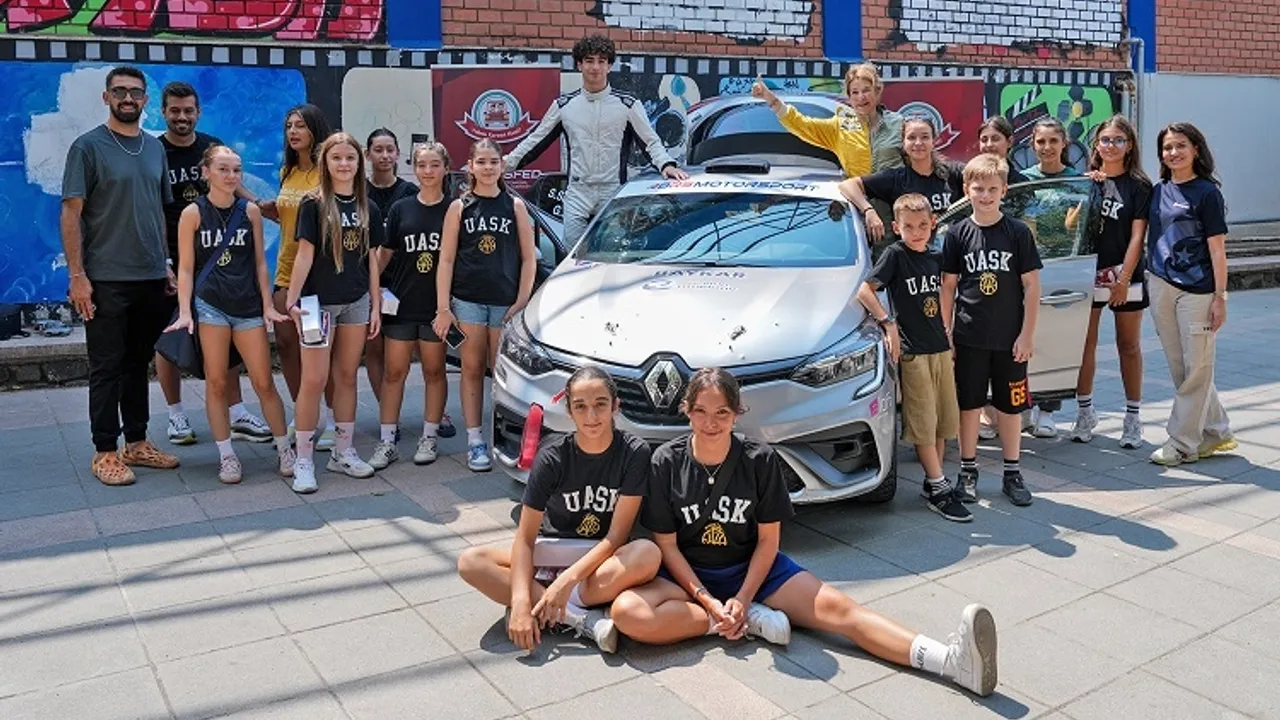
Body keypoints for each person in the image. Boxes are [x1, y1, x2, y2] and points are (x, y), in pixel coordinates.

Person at [609, 369, 998, 697]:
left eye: (722, 413)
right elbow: (666, 545)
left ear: (737, 413)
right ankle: (734, 623)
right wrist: (710, 603)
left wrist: (743, 596)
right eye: (700, 412)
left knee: (844, 613)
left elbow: (768, 541)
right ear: (686, 410)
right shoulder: (666, 461)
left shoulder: (759, 459)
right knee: (628, 613)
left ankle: (949, 661)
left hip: (753, 570)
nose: (711, 423)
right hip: (688, 577)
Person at [457, 366, 662, 654]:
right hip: (549, 552)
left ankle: (547, 605)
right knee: (471, 562)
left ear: (615, 406)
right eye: (580, 406)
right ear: (569, 411)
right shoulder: (552, 455)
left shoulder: (634, 452)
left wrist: (565, 582)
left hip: (598, 562)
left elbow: (616, 537)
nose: (591, 416)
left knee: (648, 554)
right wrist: (520, 602)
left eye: (600, 404)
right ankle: (581, 619)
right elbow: (525, 538)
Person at [61, 66, 180, 486]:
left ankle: (137, 443)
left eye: (135, 92)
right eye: (119, 91)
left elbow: (157, 211)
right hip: (105, 278)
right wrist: (78, 275)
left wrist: (166, 264)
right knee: (107, 366)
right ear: (106, 97)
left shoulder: (154, 148)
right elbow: (71, 213)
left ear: (145, 100)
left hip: (150, 275)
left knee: (136, 363)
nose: (127, 98)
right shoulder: (87, 147)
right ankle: (105, 451)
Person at [164, 145, 295, 484]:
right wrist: (185, 311)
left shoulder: (249, 211)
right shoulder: (193, 213)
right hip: (211, 305)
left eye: (236, 169)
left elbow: (260, 264)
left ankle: (285, 448)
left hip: (247, 305)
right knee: (217, 381)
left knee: (264, 381)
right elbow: (186, 268)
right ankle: (227, 456)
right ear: (206, 172)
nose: (231, 175)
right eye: (223, 169)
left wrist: (268, 306)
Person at [156, 81, 271, 447]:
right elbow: (149, 207)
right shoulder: (154, 152)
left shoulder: (211, 146)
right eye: (175, 110)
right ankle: (176, 414)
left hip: (213, 257)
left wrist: (258, 206)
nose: (182, 117)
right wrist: (161, 261)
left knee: (226, 334)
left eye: (188, 110)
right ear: (163, 112)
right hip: (171, 257)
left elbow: (234, 188)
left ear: (198, 112)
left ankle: (236, 413)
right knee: (170, 337)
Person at [504, 34, 688, 243]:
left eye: (602, 61)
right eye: (589, 61)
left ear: (609, 66)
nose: (595, 67)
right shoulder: (564, 106)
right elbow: (535, 141)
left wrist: (666, 164)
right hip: (577, 193)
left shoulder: (627, 104)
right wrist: (505, 164)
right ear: (579, 65)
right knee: (571, 254)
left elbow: (650, 141)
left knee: (611, 253)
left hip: (613, 190)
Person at [855, 194, 967, 522]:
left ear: (933, 224)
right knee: (923, 422)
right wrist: (887, 323)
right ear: (896, 227)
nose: (916, 232)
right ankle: (939, 486)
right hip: (914, 351)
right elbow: (865, 291)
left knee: (943, 422)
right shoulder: (895, 255)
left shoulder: (936, 257)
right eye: (908, 227)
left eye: (922, 225)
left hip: (940, 348)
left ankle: (935, 483)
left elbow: (947, 296)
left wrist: (949, 334)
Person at [940, 154, 1042, 507]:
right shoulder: (957, 233)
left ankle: (1012, 473)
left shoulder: (1018, 232)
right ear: (966, 190)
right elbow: (948, 287)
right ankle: (967, 471)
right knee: (969, 406)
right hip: (969, 338)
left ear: (1004, 190)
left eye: (992, 189)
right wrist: (947, 333)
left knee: (1010, 408)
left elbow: (1032, 286)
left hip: (1010, 339)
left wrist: (1027, 335)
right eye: (978, 188)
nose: (985, 195)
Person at [285, 133, 384, 493]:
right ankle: (303, 459)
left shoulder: (369, 207)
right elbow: (305, 255)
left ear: (359, 163)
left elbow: (372, 260)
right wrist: (292, 300)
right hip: (317, 304)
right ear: (325, 163)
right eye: (336, 158)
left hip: (356, 302)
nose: (344, 164)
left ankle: (343, 451)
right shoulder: (313, 204)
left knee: (347, 376)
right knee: (313, 380)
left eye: (350, 158)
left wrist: (374, 303)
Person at [433, 139, 538, 472]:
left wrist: (522, 300)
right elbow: (446, 259)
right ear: (470, 166)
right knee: (472, 368)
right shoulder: (459, 207)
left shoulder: (515, 206)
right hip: (468, 301)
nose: (488, 167)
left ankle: (504, 437)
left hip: (505, 303)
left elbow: (529, 258)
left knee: (503, 372)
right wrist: (443, 307)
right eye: (482, 161)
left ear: (503, 166)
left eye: (494, 161)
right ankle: (475, 439)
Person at [1145, 123, 1235, 466]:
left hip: (1198, 291)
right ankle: (1216, 431)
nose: (1173, 153)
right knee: (1181, 366)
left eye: (1180, 145)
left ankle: (1182, 443)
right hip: (1161, 284)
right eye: (1167, 147)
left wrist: (1220, 297)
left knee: (1196, 366)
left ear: (1196, 149)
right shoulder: (1158, 190)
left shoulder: (1207, 193)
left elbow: (1218, 250)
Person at [1065, 116, 1151, 449]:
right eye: (1105, 140)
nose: (1111, 146)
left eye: (1118, 140)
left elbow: (1138, 236)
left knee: (1128, 345)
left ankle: (1133, 418)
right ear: (1096, 145)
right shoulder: (1087, 181)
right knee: (1083, 344)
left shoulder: (1139, 185)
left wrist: (1124, 279)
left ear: (1129, 146)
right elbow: (1070, 226)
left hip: (1125, 275)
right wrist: (1083, 190)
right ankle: (1085, 413)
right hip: (1089, 274)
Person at [259, 104, 339, 449]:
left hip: (317, 275)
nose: (293, 132)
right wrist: (271, 211)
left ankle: (334, 418)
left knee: (320, 349)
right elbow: (292, 218)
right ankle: (303, 414)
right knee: (287, 345)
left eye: (301, 126)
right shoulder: (286, 172)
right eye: (289, 125)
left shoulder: (328, 173)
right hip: (285, 270)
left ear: (315, 130)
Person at [370, 142, 454, 469]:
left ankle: (429, 436)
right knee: (394, 372)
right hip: (402, 303)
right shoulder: (401, 208)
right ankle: (387, 441)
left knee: (434, 370)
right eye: (422, 165)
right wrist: (371, 289)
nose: (428, 171)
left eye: (434, 165)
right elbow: (384, 253)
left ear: (445, 168)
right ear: (414, 169)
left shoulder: (455, 209)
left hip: (437, 307)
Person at [1017, 118, 1081, 438]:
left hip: (1063, 266)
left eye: (1053, 141)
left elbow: (1078, 225)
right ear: (1032, 144)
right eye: (1041, 142)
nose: (1047, 147)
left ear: (1064, 143)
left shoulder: (1077, 180)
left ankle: (1047, 411)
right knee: (1025, 338)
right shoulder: (1023, 180)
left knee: (1054, 340)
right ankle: (1024, 405)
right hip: (1026, 268)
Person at [971, 116, 1029, 441]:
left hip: (1014, 275)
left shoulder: (1022, 183)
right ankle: (985, 412)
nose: (989, 144)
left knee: (1016, 350)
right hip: (979, 277)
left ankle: (1021, 410)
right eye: (984, 139)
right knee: (981, 354)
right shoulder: (973, 176)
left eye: (996, 138)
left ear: (1009, 142)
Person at [752, 62, 904, 178]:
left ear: (877, 91)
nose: (861, 97)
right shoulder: (840, 127)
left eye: (866, 90)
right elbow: (800, 124)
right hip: (861, 203)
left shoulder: (898, 123)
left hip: (896, 203)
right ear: (849, 97)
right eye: (855, 92)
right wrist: (770, 98)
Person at [838, 117, 961, 243]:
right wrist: (868, 210)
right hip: (914, 253)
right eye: (911, 137)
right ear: (903, 143)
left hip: (956, 250)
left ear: (933, 141)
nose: (918, 143)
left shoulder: (953, 172)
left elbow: (975, 173)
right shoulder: (896, 179)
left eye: (925, 137)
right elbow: (847, 185)